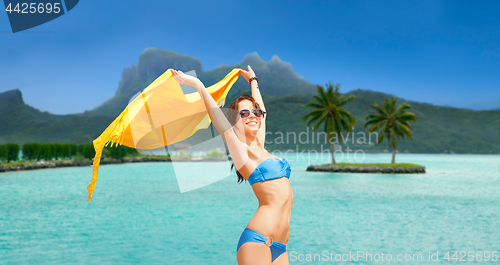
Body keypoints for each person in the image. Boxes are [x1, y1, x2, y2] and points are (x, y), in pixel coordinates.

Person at [172, 66, 293, 265]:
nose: (252, 115)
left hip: (280, 245)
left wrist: (253, 80)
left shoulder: (260, 147)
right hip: (258, 240)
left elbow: (263, 112)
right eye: (244, 114)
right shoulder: (242, 152)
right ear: (235, 122)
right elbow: (221, 124)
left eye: (255, 112)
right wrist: (198, 85)